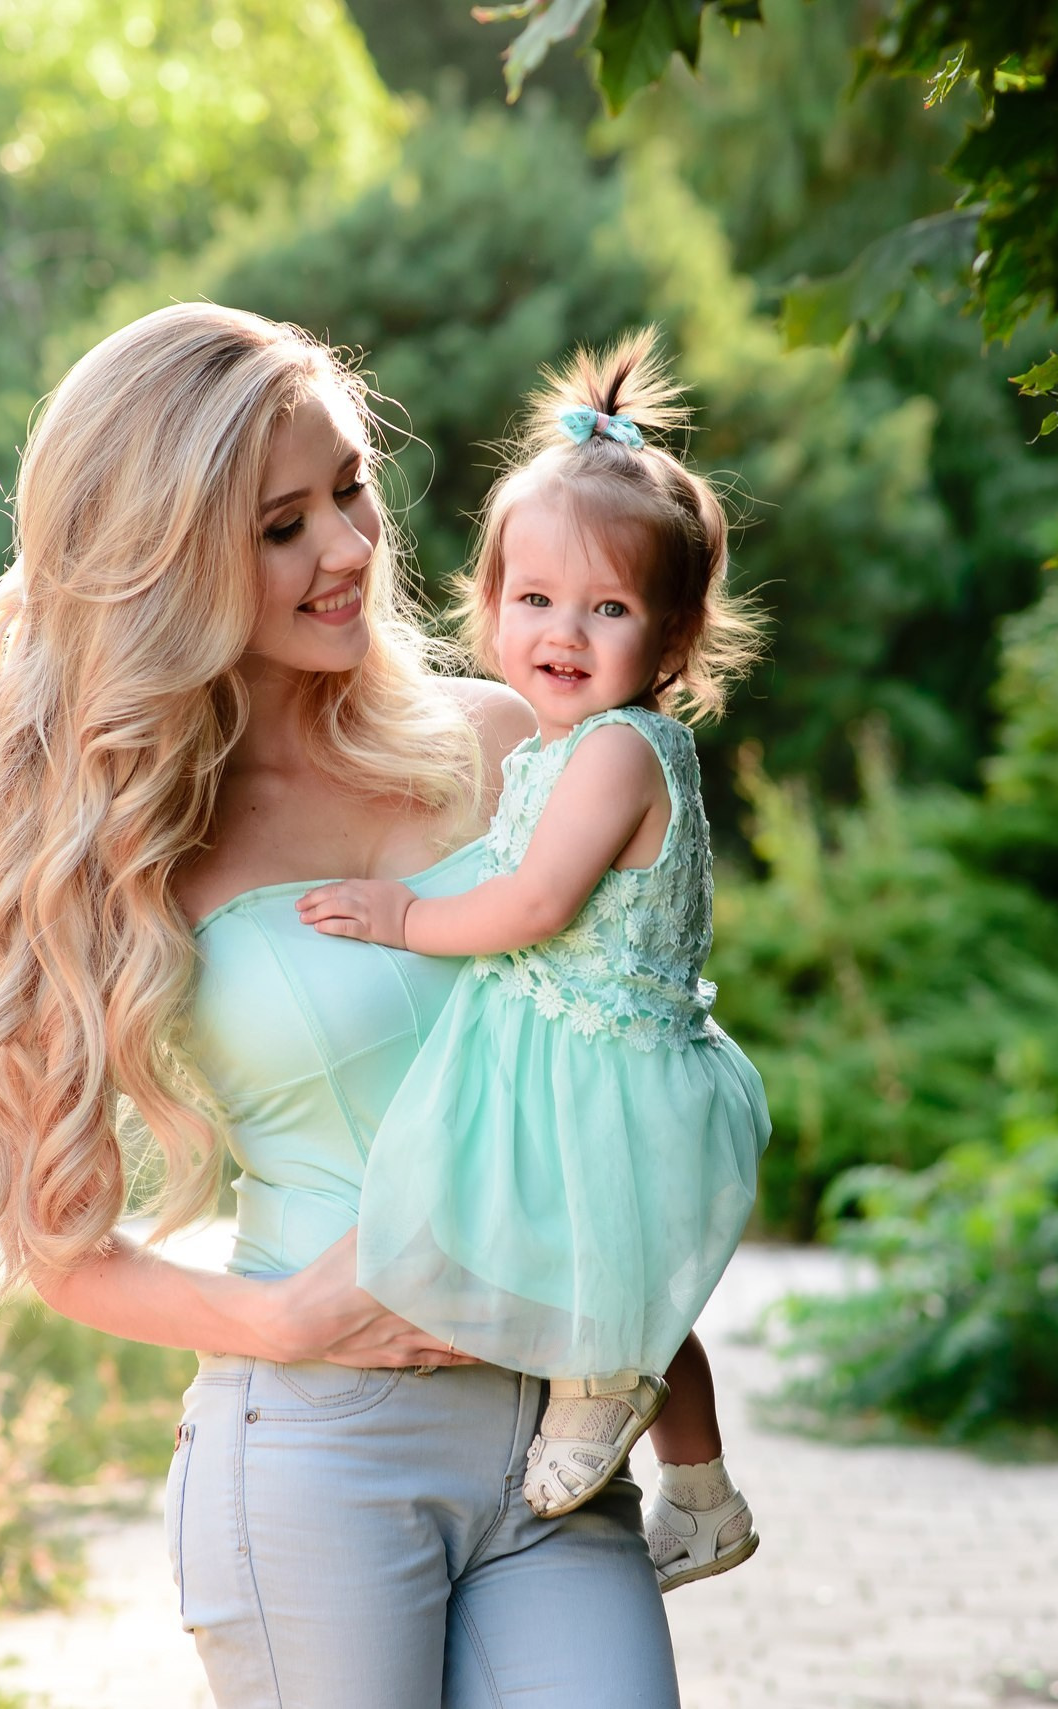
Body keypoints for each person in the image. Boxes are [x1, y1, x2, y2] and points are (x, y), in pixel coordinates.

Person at [0, 302, 681, 1707]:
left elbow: (630, 1036)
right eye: (280, 525)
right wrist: (284, 1322)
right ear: (170, 561)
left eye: (351, 488)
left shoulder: (512, 745)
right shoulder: (128, 847)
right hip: (321, 1455)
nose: (352, 548)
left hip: (560, 1442)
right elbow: (54, 1243)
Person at [296, 330, 770, 1593]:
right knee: (640, 1284)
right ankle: (707, 1496)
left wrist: (400, 917)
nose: (563, 631)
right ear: (490, 600)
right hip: (600, 1049)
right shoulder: (568, 741)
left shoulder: (617, 749)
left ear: (670, 638)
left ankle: (589, 1390)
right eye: (534, 599)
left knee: (606, 1289)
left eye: (607, 609)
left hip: (606, 1064)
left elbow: (534, 898)